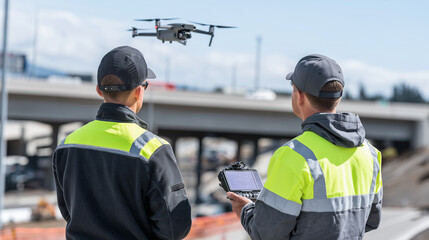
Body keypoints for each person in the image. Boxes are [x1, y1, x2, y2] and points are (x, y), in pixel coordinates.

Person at [227, 54, 382, 239]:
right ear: (338, 98)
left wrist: (244, 210)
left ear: (299, 96)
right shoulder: (370, 153)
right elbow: (371, 220)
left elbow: (266, 233)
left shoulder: (293, 155)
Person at [52, 46, 192, 240]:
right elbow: (174, 226)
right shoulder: (153, 149)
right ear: (138, 91)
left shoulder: (67, 144)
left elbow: (68, 210)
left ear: (99, 91)